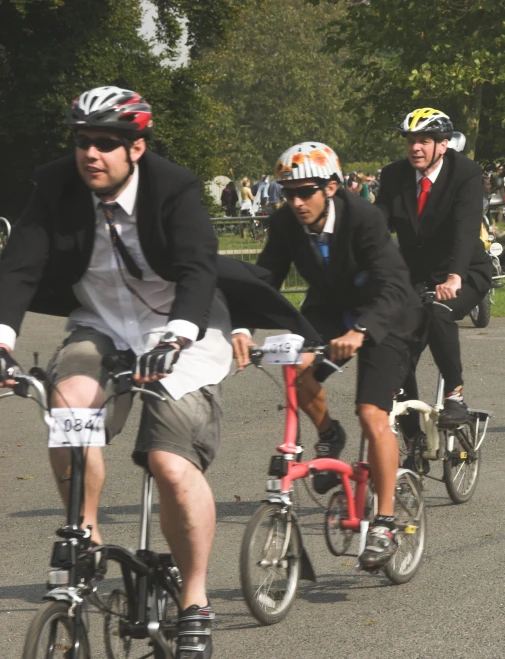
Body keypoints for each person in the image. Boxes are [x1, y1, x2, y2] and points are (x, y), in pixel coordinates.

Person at [0, 86, 317, 659]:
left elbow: (198, 268)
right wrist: (2, 341)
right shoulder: (55, 185)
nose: (89, 154)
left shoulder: (174, 187)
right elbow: (19, 266)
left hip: (180, 332)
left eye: (105, 144)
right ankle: (87, 539)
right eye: (81, 142)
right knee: (69, 407)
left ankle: (194, 600)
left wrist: (178, 336)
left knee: (171, 465)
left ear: (136, 147)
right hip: (100, 324)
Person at [232, 141, 424, 570]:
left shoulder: (364, 217)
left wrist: (360, 332)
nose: (296, 202)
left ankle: (386, 522)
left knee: (371, 414)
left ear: (332, 187)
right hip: (330, 309)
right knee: (297, 369)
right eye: (288, 193)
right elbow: (264, 280)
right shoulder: (286, 223)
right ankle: (328, 433)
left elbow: (393, 284)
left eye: (306, 192)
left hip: (386, 315)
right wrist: (243, 328)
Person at [376, 107, 492, 428]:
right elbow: (376, 227)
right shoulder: (393, 175)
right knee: (395, 341)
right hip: (415, 277)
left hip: (465, 271)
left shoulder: (465, 173)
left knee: (439, 310)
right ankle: (412, 439)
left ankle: (455, 396)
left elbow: (465, 228)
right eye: (411, 141)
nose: (415, 147)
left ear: (443, 144)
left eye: (424, 141)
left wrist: (455, 275)